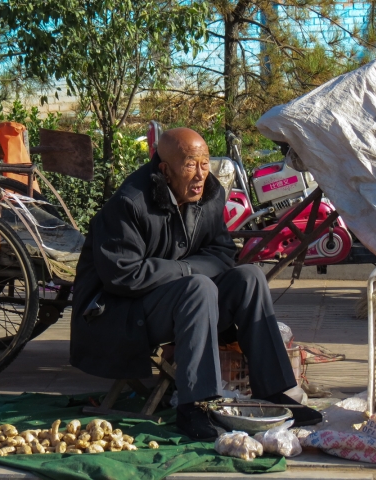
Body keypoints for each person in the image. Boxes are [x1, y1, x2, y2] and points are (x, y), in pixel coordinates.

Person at [70, 127, 322, 439]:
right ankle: (196, 406)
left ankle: (274, 392)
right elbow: (124, 275)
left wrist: (185, 270)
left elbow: (222, 252)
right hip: (117, 312)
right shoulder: (129, 203)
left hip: (175, 299)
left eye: (205, 164)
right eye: (190, 165)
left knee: (250, 277)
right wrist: (189, 273)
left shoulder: (208, 195)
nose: (200, 175)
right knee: (198, 287)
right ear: (164, 170)